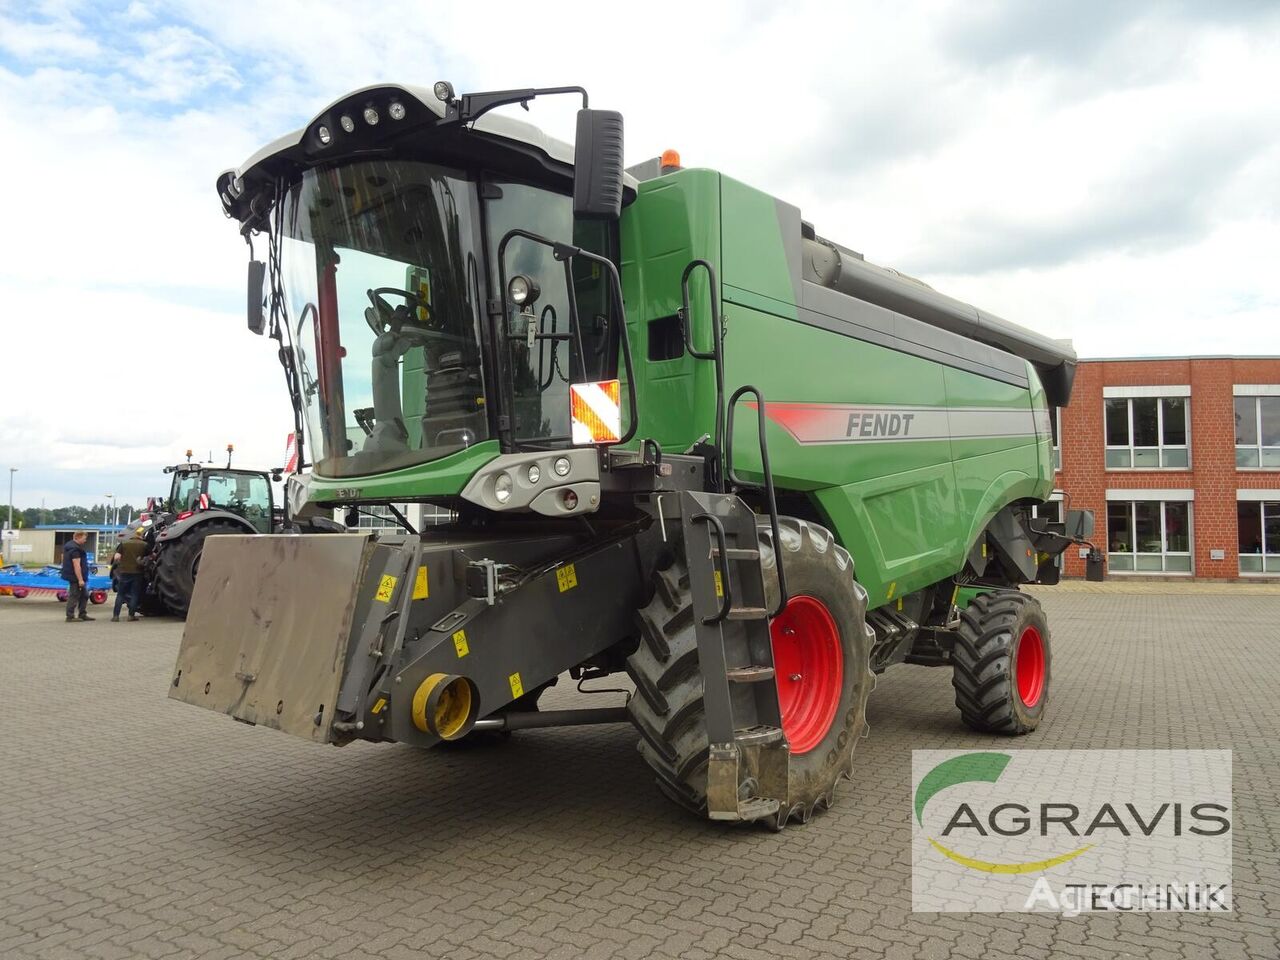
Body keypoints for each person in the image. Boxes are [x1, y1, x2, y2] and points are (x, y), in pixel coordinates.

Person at [111, 527, 148, 622]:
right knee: (134, 594)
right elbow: (150, 557)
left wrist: (121, 565)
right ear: (141, 536)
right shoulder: (144, 545)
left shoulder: (124, 544)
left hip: (124, 572)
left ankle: (115, 616)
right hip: (137, 572)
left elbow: (116, 557)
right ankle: (131, 616)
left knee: (121, 594)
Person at [60, 531, 95, 622]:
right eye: (84, 538)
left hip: (72, 575)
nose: (85, 540)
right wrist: (80, 579)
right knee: (74, 595)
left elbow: (62, 557)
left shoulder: (68, 546)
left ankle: (82, 613)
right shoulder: (75, 550)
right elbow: (77, 565)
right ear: (78, 538)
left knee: (85, 595)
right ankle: (70, 616)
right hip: (75, 577)